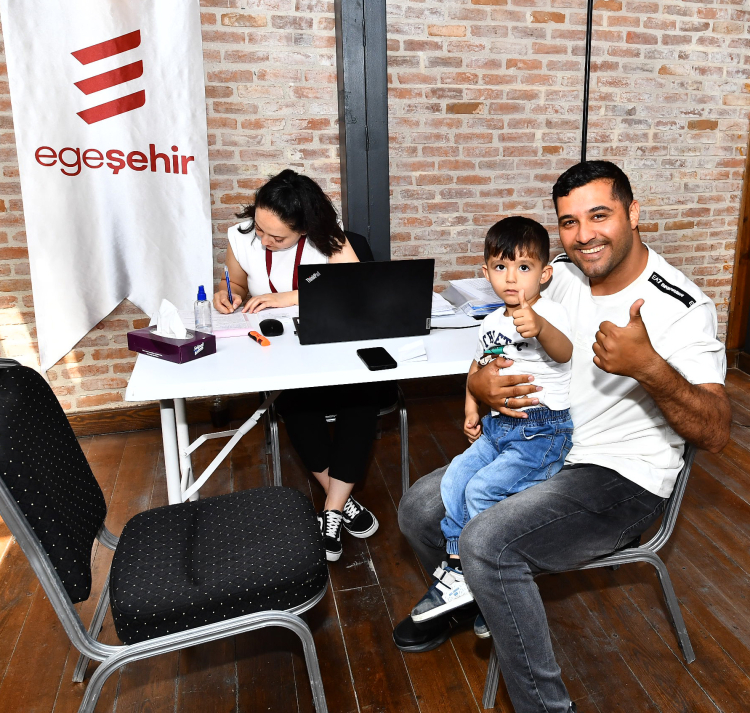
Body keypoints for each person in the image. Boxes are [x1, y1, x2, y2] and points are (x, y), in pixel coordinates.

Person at [392, 161, 731, 713]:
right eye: (569, 222)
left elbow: (716, 431)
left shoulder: (680, 305)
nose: (584, 235)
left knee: (487, 542)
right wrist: (477, 384)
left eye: (599, 216)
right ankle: (475, 600)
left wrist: (649, 367)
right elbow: (496, 343)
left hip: (620, 475)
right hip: (542, 445)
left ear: (633, 213)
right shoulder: (559, 275)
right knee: (418, 509)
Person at [410, 216, 575, 623]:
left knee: (482, 491)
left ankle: (484, 583)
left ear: (545, 274)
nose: (512, 277)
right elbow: (479, 365)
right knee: (454, 480)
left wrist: (540, 328)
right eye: (501, 267)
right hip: (499, 428)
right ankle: (460, 566)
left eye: (524, 267)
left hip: (542, 432)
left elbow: (565, 352)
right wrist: (470, 407)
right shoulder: (491, 321)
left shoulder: (551, 313)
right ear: (486, 274)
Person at [214, 169, 380, 562]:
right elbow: (236, 285)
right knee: (295, 403)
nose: (264, 241)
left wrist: (286, 298)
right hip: (279, 354)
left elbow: (355, 290)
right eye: (260, 228)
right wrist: (226, 293)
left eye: (277, 237)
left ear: (303, 229)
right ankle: (340, 503)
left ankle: (332, 508)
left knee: (362, 398)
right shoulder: (242, 238)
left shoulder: (329, 240)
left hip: (333, 347)